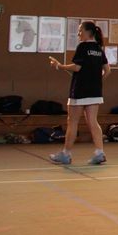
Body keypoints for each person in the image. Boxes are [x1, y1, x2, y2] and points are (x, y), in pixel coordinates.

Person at [47, 21, 110, 165]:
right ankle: (100, 153)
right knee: (93, 122)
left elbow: (77, 67)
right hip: (95, 92)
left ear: (88, 32)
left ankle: (66, 154)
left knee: (72, 121)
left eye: (80, 30)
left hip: (80, 91)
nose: (78, 33)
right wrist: (96, 81)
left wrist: (59, 66)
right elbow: (108, 71)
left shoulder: (83, 46)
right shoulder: (99, 49)